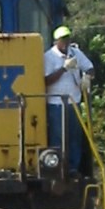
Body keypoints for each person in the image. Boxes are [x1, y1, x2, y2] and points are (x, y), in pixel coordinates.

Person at [43, 25, 94, 172]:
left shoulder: (75, 53)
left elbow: (90, 67)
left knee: (74, 136)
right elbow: (45, 81)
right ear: (56, 41)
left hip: (74, 101)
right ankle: (57, 166)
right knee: (57, 136)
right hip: (56, 103)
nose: (65, 42)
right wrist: (64, 68)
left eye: (67, 39)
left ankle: (73, 167)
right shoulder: (49, 57)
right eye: (62, 40)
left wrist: (87, 76)